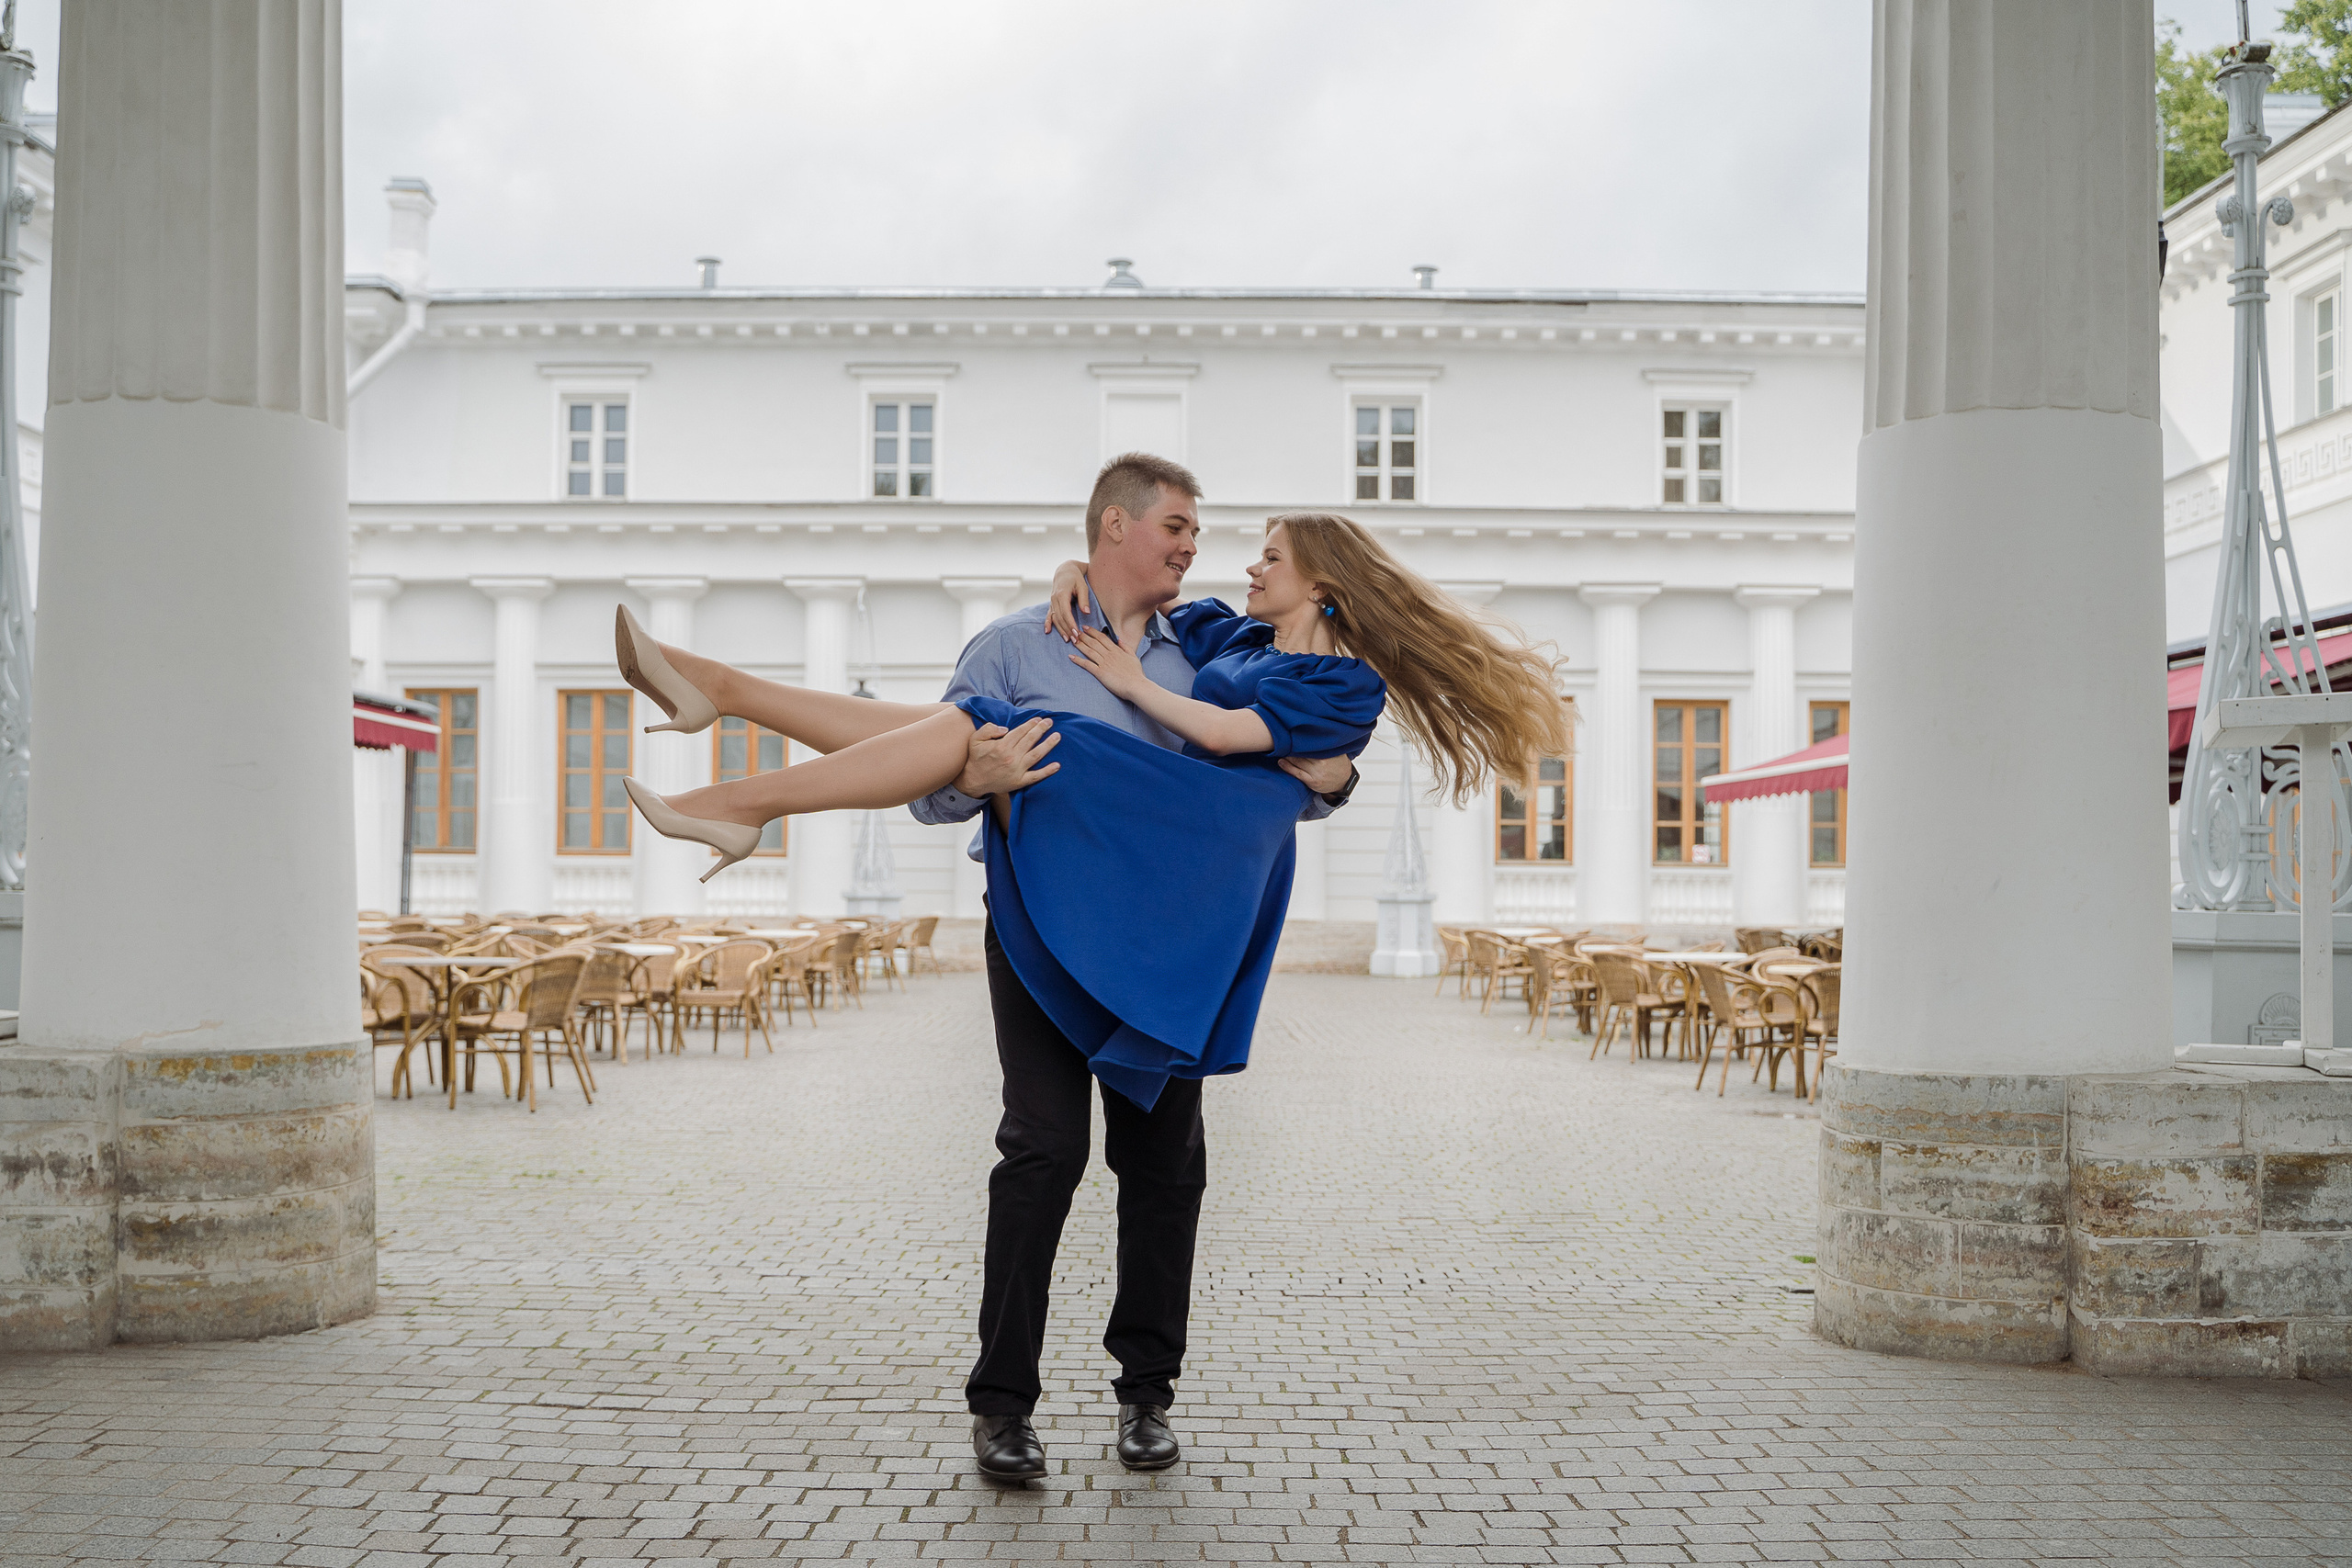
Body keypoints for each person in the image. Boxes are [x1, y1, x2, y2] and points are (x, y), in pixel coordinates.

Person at [612, 455, 1568, 1480]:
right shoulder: (1024, 641)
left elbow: (1279, 746)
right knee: (1040, 1151)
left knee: (1165, 1170)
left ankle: (1147, 1395)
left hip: (1168, 935)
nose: (1201, 549)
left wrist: (1333, 777)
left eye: (1214, 538)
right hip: (1043, 919)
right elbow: (934, 789)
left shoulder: (1199, 648)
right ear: (1117, 525)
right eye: (1178, 528)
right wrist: (981, 771)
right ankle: (1002, 1407)